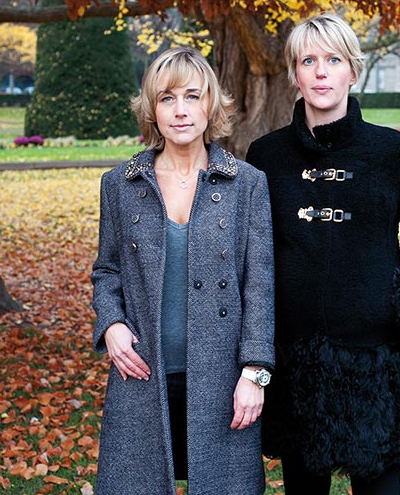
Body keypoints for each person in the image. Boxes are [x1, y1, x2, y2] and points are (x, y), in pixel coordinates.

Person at [246, 14, 400, 495]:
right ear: (295, 73)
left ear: (352, 71)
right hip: (298, 364)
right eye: (308, 61)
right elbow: (250, 256)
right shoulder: (266, 156)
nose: (320, 72)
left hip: (377, 364)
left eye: (333, 60)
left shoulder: (391, 151)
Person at [91, 47, 275, 495]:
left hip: (223, 378)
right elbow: (106, 270)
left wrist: (255, 372)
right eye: (167, 98)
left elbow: (260, 285)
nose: (180, 110)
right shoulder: (121, 183)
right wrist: (111, 324)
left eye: (192, 96)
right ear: (152, 109)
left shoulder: (246, 183)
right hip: (143, 373)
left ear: (209, 104)